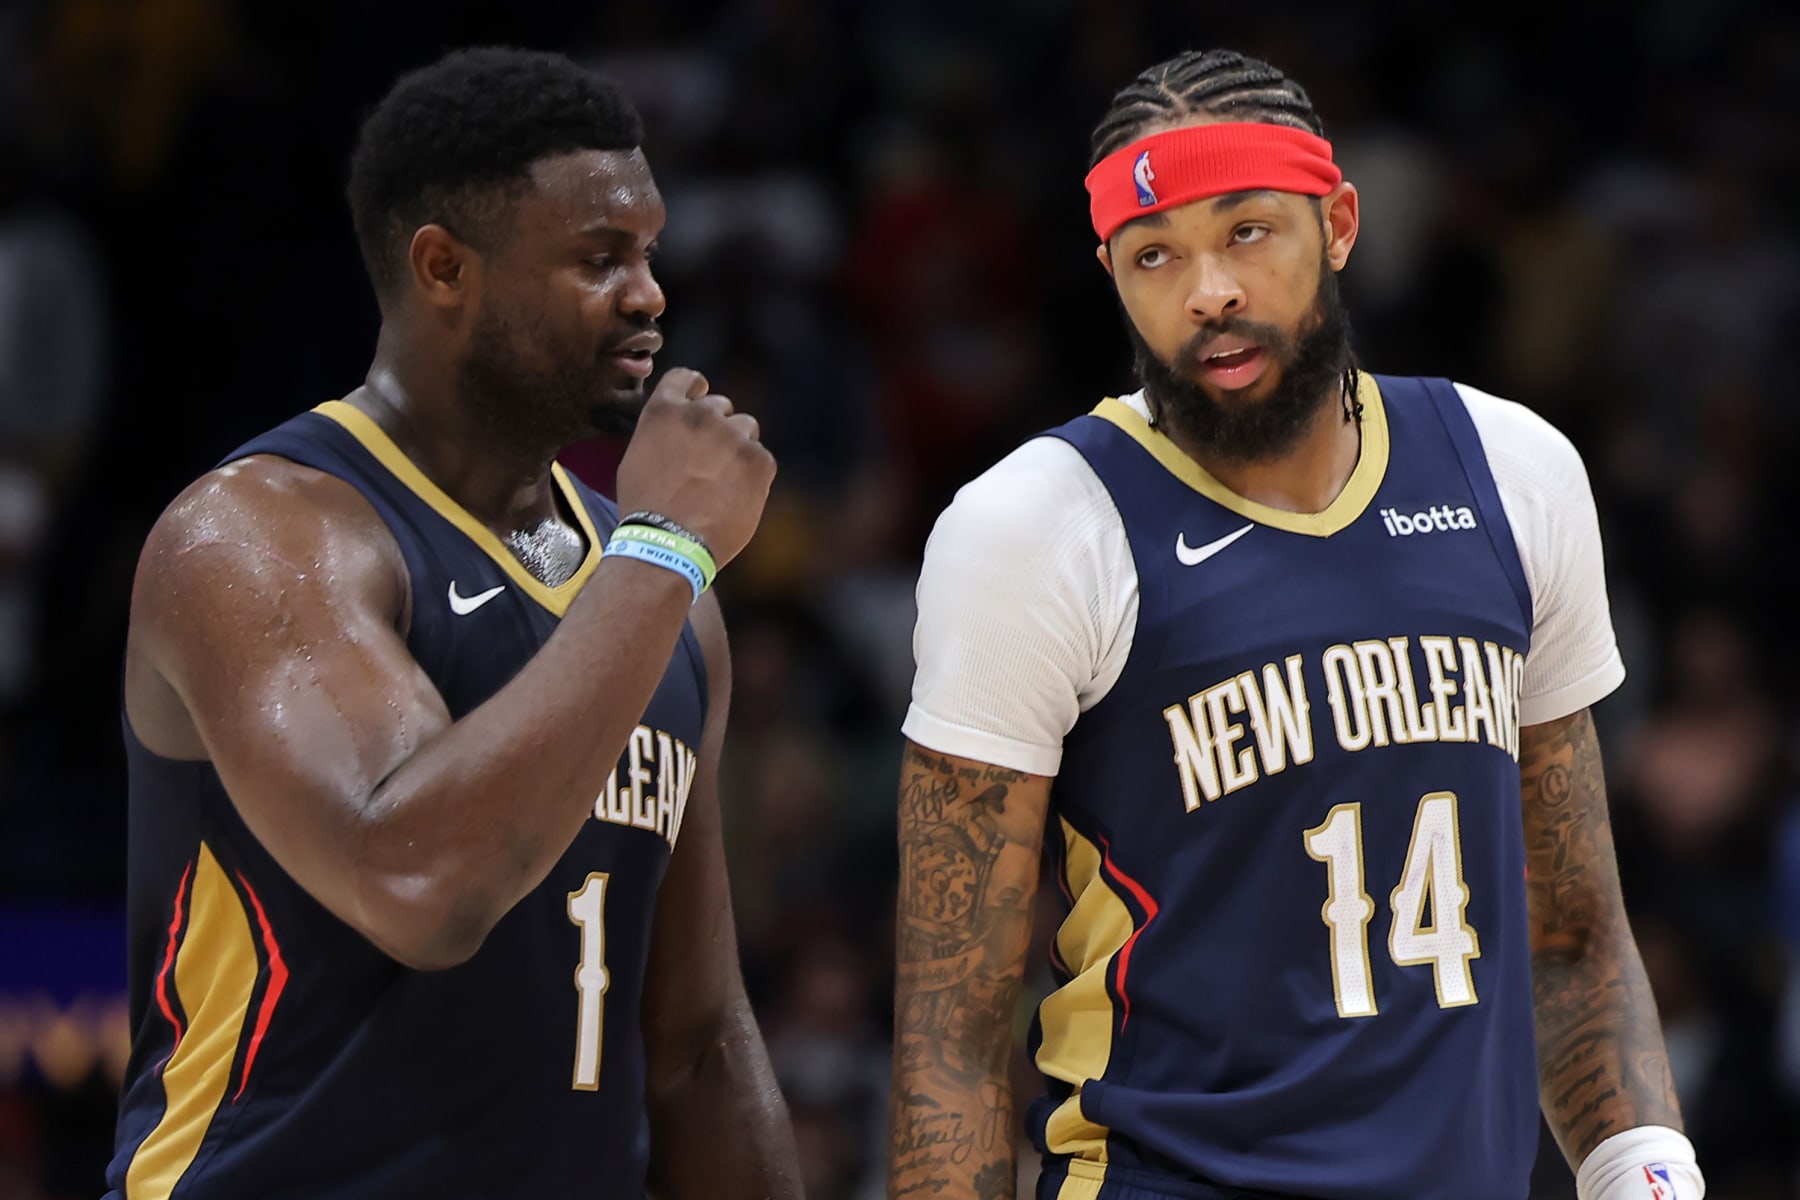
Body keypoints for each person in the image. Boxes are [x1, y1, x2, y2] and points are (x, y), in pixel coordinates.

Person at [889, 48, 1705, 1200]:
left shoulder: (1513, 471)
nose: (1208, 289)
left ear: (1340, 222)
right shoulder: (1034, 527)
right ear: (1112, 277)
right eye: (1155, 255)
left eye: (1247, 233)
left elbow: (1571, 936)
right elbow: (951, 1043)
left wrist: (1649, 1176)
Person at [107, 47, 800, 1199]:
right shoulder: (258, 535)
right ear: (444, 268)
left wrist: (658, 561)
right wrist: (667, 548)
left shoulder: (660, 592)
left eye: (649, 252)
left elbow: (692, 1047)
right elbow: (418, 887)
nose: (649, 293)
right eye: (599, 258)